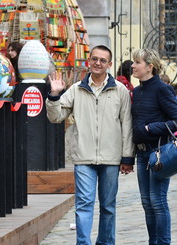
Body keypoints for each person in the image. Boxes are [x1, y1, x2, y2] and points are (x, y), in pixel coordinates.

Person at [46, 45, 134, 245]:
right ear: (89, 61)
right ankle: (83, 243)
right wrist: (53, 96)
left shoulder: (120, 90)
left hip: (111, 158)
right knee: (84, 204)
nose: (98, 63)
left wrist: (127, 157)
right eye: (94, 59)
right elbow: (56, 117)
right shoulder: (76, 89)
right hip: (84, 157)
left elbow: (127, 124)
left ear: (109, 64)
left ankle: (105, 242)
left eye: (103, 60)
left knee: (108, 206)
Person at [131, 48, 177, 245]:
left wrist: (151, 128)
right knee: (147, 203)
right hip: (142, 154)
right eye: (133, 62)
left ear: (149, 67)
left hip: (159, 153)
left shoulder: (162, 89)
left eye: (137, 62)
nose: (133, 66)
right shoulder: (136, 91)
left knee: (158, 201)